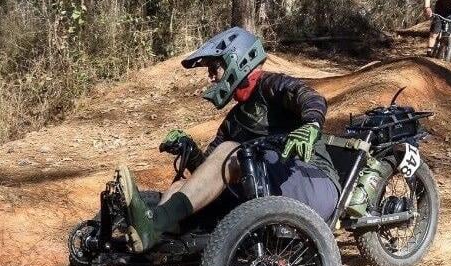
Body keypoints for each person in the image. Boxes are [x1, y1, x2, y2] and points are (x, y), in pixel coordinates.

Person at [112, 27, 342, 254]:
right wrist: (190, 152)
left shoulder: (271, 85)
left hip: (313, 182)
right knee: (181, 186)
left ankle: (156, 222)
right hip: (271, 191)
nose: (210, 77)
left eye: (214, 68)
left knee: (231, 150)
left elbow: (311, 97)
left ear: (236, 61)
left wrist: (310, 124)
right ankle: (147, 248)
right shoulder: (234, 120)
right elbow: (211, 174)